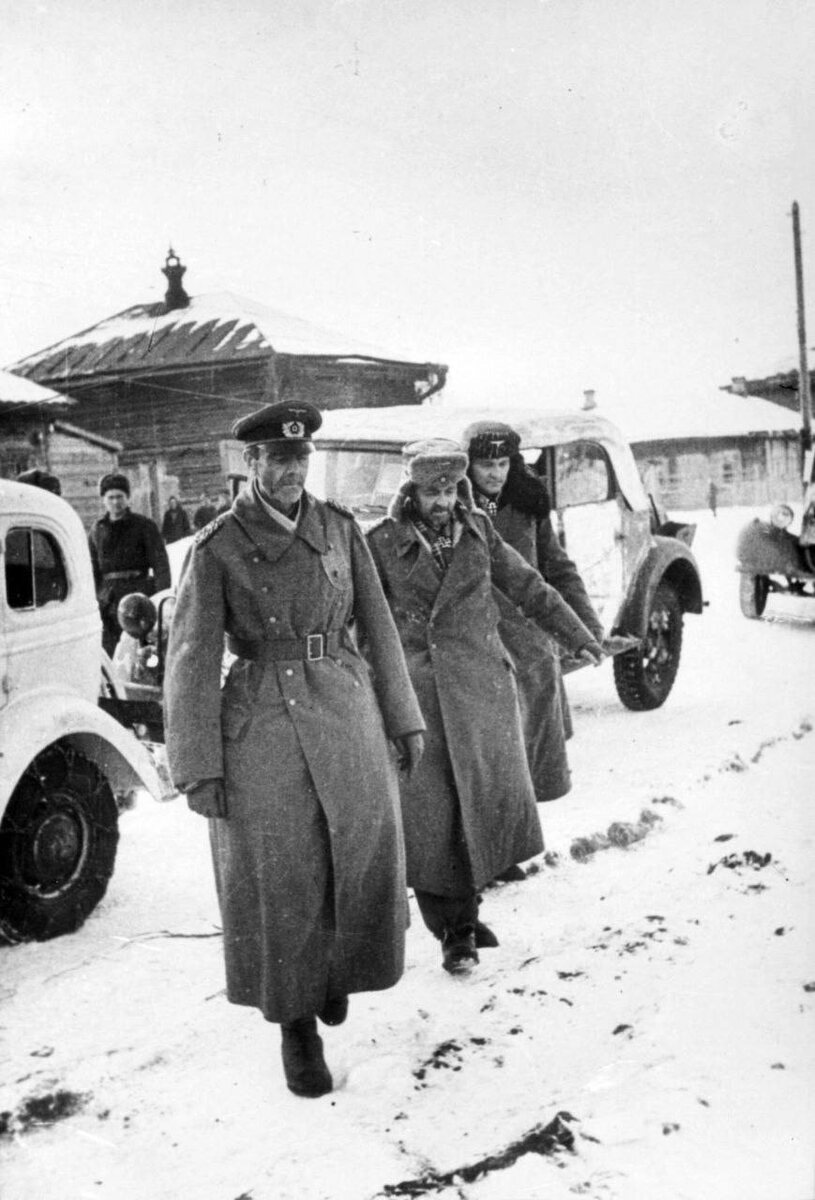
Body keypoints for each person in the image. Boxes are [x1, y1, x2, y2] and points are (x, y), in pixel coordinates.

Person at [164, 400, 425, 1099]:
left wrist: (404, 719)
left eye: (300, 458)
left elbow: (378, 626)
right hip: (262, 720)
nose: (291, 471)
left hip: (344, 704)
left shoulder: (339, 529)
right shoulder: (217, 546)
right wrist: (197, 767)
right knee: (283, 873)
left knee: (355, 851)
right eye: (278, 460)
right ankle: (296, 1024)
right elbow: (190, 661)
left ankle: (333, 973)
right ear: (250, 463)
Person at [365, 438, 604, 975]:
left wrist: (579, 635)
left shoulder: (477, 530)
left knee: (478, 806)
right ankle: (454, 932)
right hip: (420, 698)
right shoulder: (380, 543)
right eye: (432, 492)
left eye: (451, 490)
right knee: (433, 817)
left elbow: (530, 587)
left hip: (481, 690)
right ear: (411, 491)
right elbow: (363, 622)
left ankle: (465, 914)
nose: (443, 501)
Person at [463, 421, 605, 837]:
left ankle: (515, 842)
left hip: (527, 648)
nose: (495, 474)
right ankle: (496, 847)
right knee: (485, 759)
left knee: (527, 757)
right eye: (485, 465)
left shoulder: (527, 503)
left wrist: (585, 629)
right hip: (478, 646)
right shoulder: (453, 507)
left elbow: (557, 569)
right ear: (467, 465)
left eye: (503, 464)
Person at [88, 473, 171, 657]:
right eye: (110, 497)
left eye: (120, 497)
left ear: (128, 498)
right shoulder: (97, 529)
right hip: (109, 602)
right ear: (103, 500)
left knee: (142, 651)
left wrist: (160, 601)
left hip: (138, 597)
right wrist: (95, 599)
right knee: (111, 652)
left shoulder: (144, 526)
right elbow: (92, 570)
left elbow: (161, 565)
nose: (115, 502)